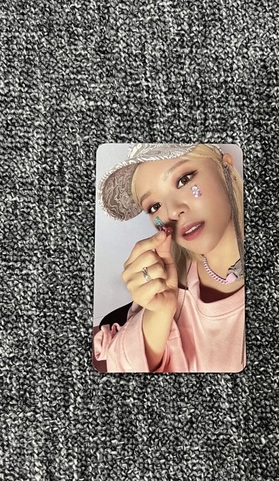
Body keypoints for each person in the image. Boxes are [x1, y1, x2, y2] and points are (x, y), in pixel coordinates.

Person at [93, 143, 245, 373]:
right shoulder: (171, 279)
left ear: (226, 168)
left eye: (184, 180)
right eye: (154, 206)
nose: (172, 212)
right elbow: (121, 363)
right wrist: (159, 312)